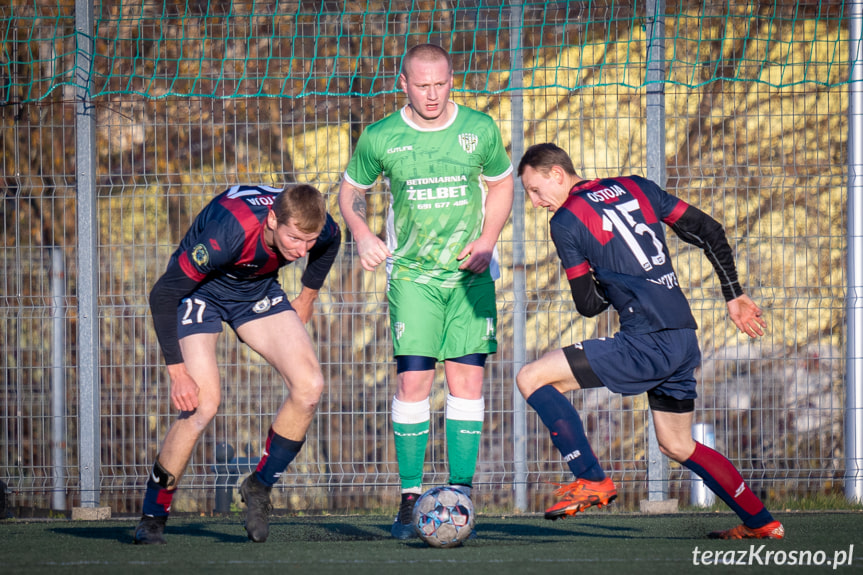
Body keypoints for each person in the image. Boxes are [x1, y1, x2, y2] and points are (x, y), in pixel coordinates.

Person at [516, 143, 784, 540]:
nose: (536, 202)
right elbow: (708, 230)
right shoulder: (636, 186)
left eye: (535, 190)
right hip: (681, 338)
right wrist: (734, 294)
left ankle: (590, 479)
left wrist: (607, 277)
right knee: (677, 445)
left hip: (646, 342)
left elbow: (588, 305)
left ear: (557, 174)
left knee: (531, 377)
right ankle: (762, 522)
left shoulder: (566, 221)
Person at [337, 43, 514, 539]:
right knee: (414, 385)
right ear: (404, 83)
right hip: (412, 277)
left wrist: (487, 241)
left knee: (467, 385)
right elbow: (350, 191)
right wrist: (363, 232)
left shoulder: (479, 129)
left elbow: (502, 185)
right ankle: (410, 498)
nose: (432, 94)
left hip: (469, 278)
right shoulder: (381, 136)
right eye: (422, 85)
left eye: (440, 84)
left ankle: (460, 497)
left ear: (452, 78)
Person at [133, 183, 341, 545]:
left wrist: (307, 296)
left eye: (308, 241)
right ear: (273, 219)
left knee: (310, 387)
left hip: (255, 290)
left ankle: (259, 486)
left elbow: (329, 243)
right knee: (202, 404)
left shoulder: (314, 227)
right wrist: (178, 372)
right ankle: (153, 516)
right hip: (201, 292)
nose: (301, 250)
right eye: (294, 239)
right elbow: (163, 294)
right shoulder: (227, 235)